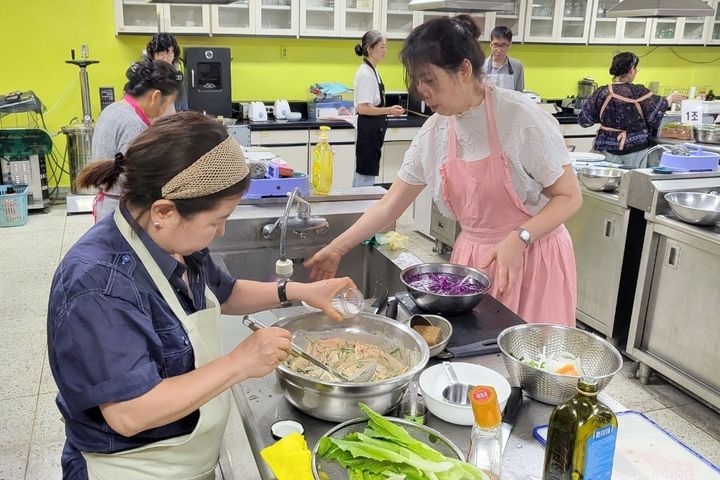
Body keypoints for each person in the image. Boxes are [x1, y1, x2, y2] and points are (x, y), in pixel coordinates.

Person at [50, 111, 354, 480]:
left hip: (185, 461)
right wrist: (239, 363)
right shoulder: (97, 285)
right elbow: (130, 414)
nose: (222, 230)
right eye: (216, 220)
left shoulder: (172, 240)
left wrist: (300, 291)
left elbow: (223, 293)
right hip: (130, 469)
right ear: (164, 211)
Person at [306, 15, 582, 326]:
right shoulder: (435, 132)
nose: (421, 91)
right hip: (474, 264)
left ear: (464, 70)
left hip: (533, 256)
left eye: (430, 80)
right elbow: (388, 205)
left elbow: (569, 196)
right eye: (416, 81)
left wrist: (521, 237)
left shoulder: (520, 119)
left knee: (531, 364)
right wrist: (335, 249)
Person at [81, 58, 183, 222]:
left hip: (107, 205)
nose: (168, 111)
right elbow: (137, 182)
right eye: (169, 103)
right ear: (155, 96)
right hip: (123, 211)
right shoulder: (134, 124)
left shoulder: (113, 109)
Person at [578, 52, 684, 168]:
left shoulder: (602, 92)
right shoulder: (639, 92)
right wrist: (671, 99)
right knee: (634, 183)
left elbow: (584, 120)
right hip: (636, 150)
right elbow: (654, 114)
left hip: (607, 150)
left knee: (609, 182)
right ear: (631, 70)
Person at [352, 30, 405, 187]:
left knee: (364, 171)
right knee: (366, 173)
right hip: (368, 128)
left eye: (385, 47)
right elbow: (363, 108)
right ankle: (363, 208)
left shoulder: (372, 70)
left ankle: (359, 207)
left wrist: (389, 109)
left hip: (373, 129)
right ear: (370, 49)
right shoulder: (366, 74)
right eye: (382, 47)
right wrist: (389, 110)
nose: (385, 51)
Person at [145, 32, 189, 112]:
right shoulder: (145, 77)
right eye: (161, 54)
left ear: (174, 55)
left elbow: (183, 110)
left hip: (172, 122)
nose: (165, 59)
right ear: (153, 56)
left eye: (169, 53)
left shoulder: (177, 78)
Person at [483, 26, 525, 92]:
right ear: (490, 44)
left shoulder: (517, 66)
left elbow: (519, 94)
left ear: (510, 44)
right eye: (496, 44)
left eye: (503, 45)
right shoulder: (481, 66)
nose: (499, 50)